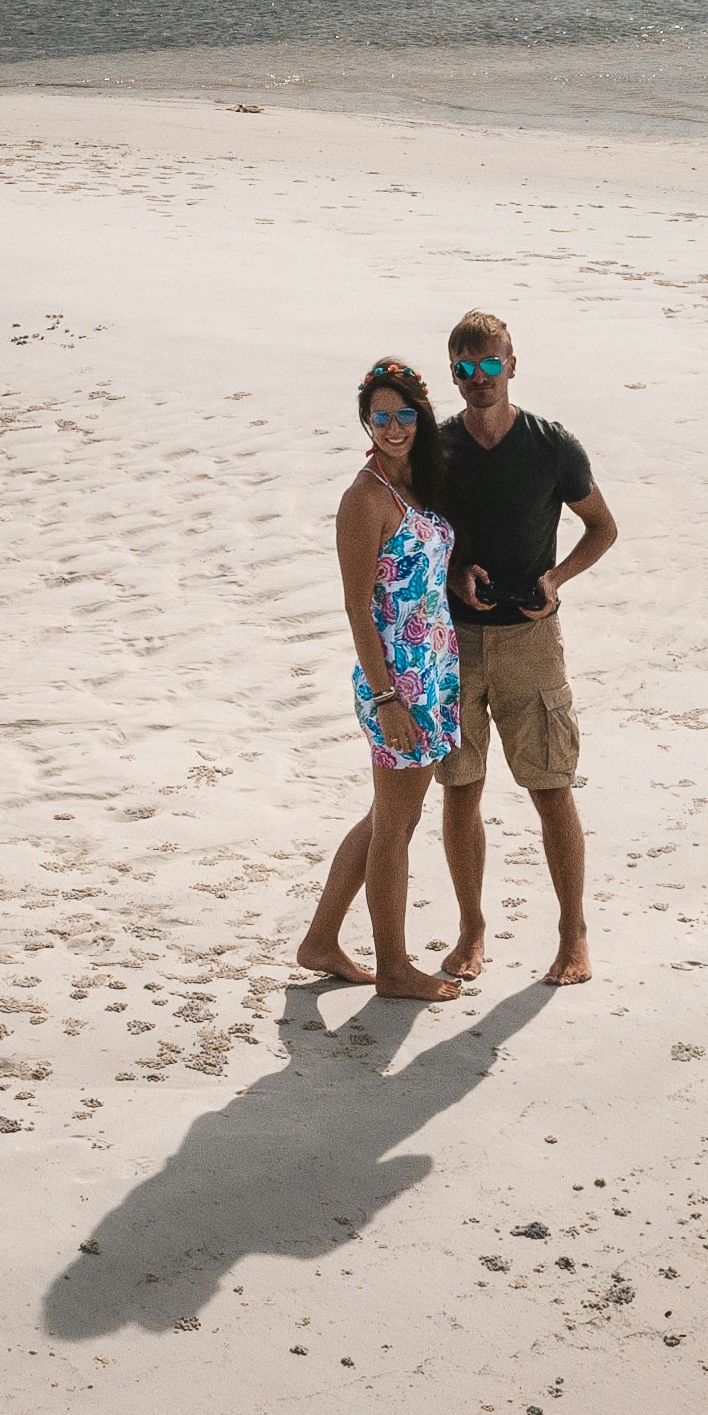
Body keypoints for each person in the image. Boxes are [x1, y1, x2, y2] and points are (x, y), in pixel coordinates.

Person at [415, 308, 616, 986]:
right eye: (465, 369)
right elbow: (412, 539)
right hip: (454, 643)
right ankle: (471, 926)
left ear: (511, 365)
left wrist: (555, 580)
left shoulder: (552, 446)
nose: (478, 379)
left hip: (532, 641)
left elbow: (601, 528)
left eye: (489, 365)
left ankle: (573, 933)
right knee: (461, 788)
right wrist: (450, 572)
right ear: (454, 374)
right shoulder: (436, 448)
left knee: (551, 789)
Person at [295, 361, 472, 1001]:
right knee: (396, 828)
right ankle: (394, 969)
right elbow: (358, 605)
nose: (393, 427)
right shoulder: (364, 498)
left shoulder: (419, 482)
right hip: (397, 680)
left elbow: (418, 569)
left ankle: (320, 941)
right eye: (380, 416)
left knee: (385, 816)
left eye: (403, 414)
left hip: (434, 672)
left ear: (421, 415)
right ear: (365, 423)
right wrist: (386, 697)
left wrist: (459, 580)